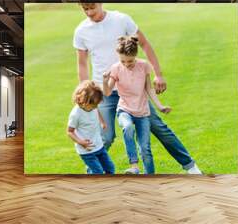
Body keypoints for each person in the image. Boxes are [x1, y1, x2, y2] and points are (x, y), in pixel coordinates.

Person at [73, 3, 202, 174]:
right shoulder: (81, 31)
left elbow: (145, 45)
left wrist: (158, 74)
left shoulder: (121, 19)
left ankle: (191, 167)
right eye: (85, 9)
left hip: (133, 90)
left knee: (158, 127)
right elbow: (82, 64)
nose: (89, 12)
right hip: (104, 91)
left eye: (92, 8)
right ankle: (91, 176)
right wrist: (85, 89)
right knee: (105, 136)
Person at [103, 35, 171, 174]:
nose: (127, 64)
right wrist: (105, 81)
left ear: (136, 56)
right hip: (124, 109)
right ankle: (134, 166)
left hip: (142, 112)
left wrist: (160, 106)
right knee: (127, 127)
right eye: (123, 61)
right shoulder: (116, 68)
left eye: (130, 61)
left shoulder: (144, 66)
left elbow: (149, 88)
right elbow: (108, 92)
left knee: (145, 149)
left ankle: (150, 178)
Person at [67, 80, 115, 174]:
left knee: (110, 168)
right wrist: (81, 142)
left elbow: (96, 110)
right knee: (98, 172)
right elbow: (70, 132)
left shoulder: (92, 106)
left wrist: (102, 122)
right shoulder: (76, 114)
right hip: (87, 151)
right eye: (93, 105)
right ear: (83, 100)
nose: (95, 107)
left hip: (99, 145)